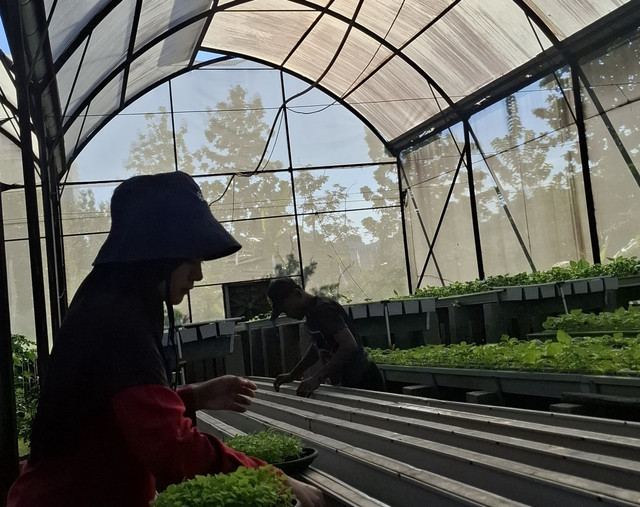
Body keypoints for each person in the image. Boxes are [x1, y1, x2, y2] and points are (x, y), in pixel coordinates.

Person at [7, 172, 323, 507]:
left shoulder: (113, 294)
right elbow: (172, 450)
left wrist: (191, 397)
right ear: (159, 252)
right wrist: (277, 480)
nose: (198, 274)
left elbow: (113, 409)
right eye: (192, 258)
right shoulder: (118, 317)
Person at [268, 277, 385, 397]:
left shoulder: (324, 310)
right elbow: (317, 347)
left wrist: (317, 378)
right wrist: (293, 374)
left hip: (363, 380)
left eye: (286, 309)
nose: (287, 314)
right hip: (348, 381)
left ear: (297, 294)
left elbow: (349, 345)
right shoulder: (311, 313)